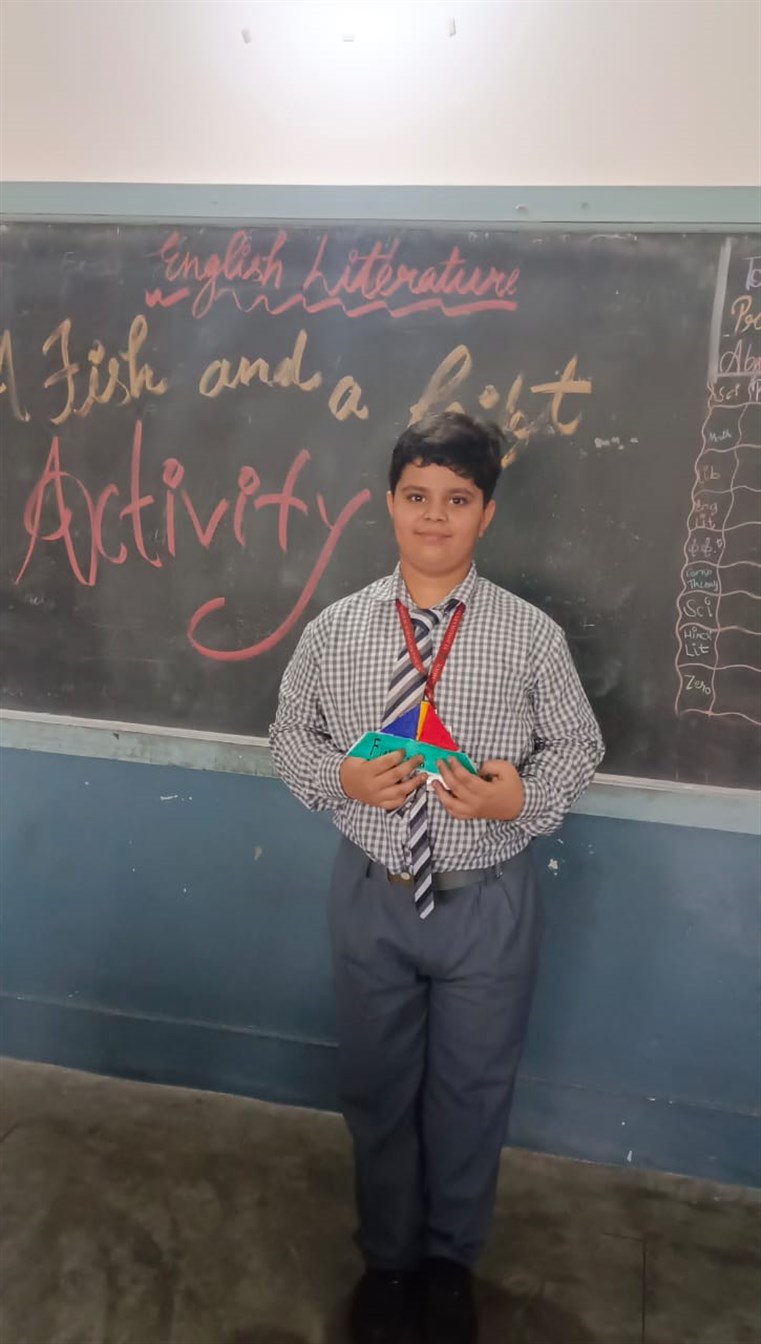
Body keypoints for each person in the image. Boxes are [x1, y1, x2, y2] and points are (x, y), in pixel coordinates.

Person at [269, 412, 604, 1344]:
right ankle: (387, 1260)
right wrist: (339, 778)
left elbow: (577, 745)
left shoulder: (528, 635)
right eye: (416, 495)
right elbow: (288, 733)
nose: (433, 516)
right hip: (371, 892)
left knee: (470, 1092)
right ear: (388, 503)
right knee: (376, 1089)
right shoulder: (337, 629)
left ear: (486, 514)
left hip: (485, 900)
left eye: (457, 500)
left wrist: (521, 799)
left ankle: (450, 1263)